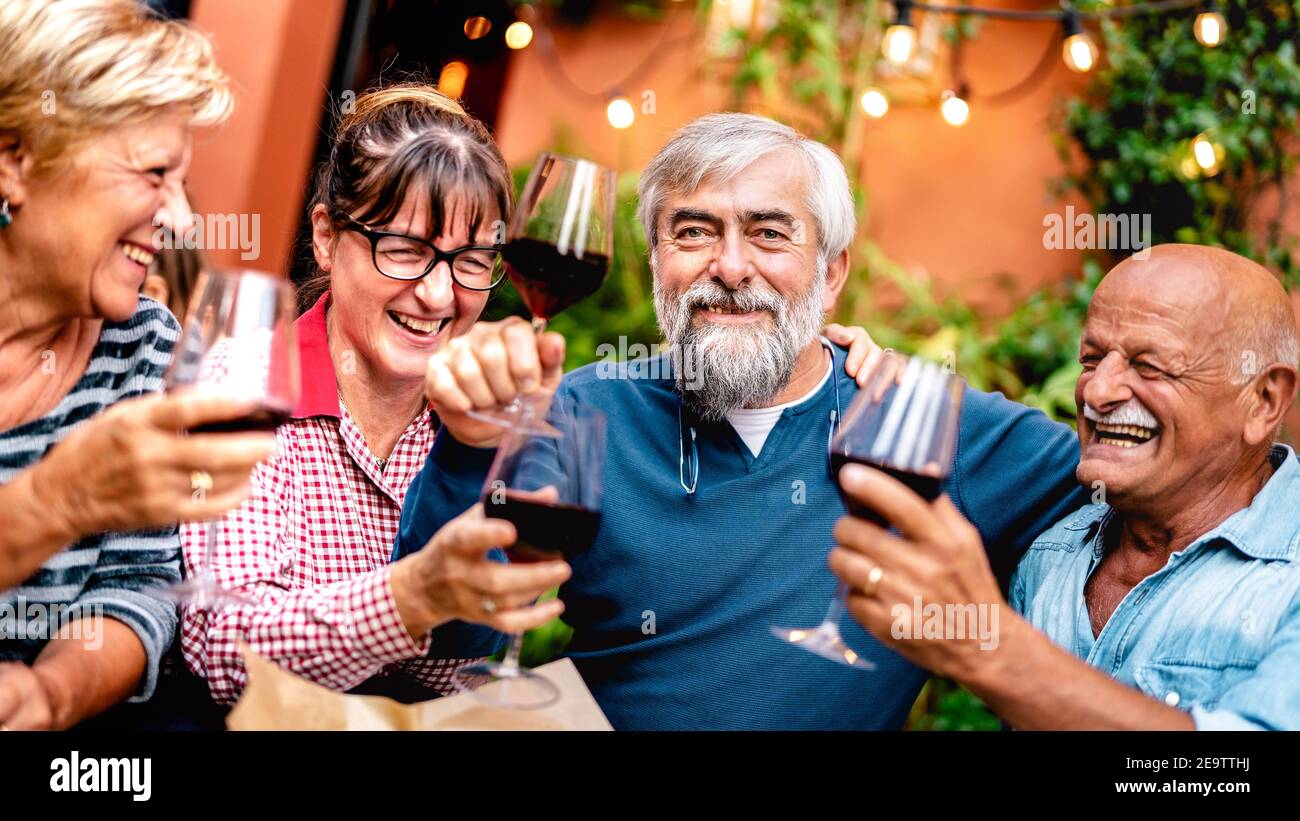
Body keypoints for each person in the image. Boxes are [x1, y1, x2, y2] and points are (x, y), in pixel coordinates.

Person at [177, 83, 882, 706]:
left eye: (471, 261)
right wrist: (414, 595)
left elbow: (465, 654)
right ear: (328, 238)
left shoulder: (497, 406)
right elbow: (224, 654)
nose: (437, 292)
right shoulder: (246, 387)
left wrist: (811, 350)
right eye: (403, 249)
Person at [396, 112, 1089, 730]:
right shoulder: (580, 409)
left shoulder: (919, 419)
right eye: (694, 231)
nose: (730, 266)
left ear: (832, 273)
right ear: (656, 260)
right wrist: (468, 448)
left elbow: (1134, 483)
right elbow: (447, 650)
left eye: (768, 232)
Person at [831, 244, 1300, 730]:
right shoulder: (1053, 551)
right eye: (1092, 360)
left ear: (1263, 400)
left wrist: (995, 653)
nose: (1096, 393)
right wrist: (828, 367)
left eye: (1150, 366)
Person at [0, 0, 278, 729]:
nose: (183, 221)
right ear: (15, 158)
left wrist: (50, 695)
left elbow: (138, 584)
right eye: (156, 172)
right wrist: (57, 500)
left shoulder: (143, 342)